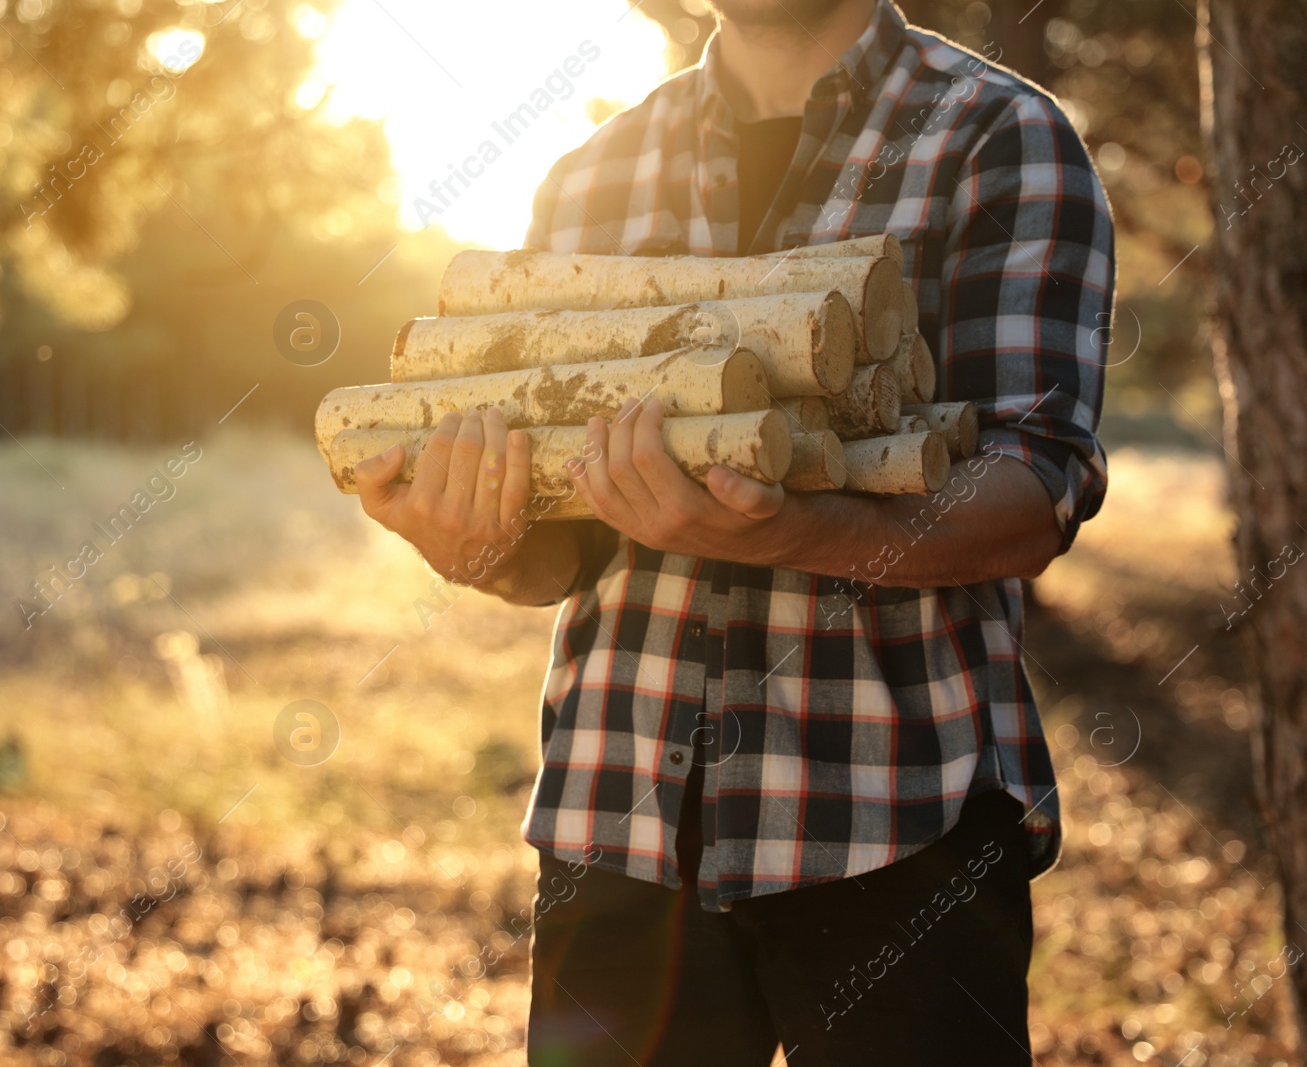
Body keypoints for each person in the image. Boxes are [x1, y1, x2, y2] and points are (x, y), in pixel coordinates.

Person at [353, 0, 1113, 1062]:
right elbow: (559, 557)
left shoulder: (998, 134)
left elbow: (1030, 490)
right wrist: (467, 540)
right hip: (620, 818)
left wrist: (791, 532)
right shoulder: (590, 174)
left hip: (901, 818)